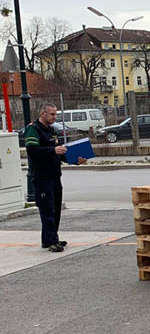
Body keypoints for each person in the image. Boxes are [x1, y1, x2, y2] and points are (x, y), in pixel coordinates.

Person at [25, 103, 86, 253]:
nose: (54, 117)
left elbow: (60, 152)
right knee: (47, 209)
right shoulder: (33, 129)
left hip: (54, 176)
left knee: (55, 209)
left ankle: (49, 239)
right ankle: (52, 241)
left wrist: (74, 160)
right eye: (52, 114)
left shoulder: (51, 130)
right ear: (43, 113)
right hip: (42, 177)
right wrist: (52, 150)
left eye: (55, 114)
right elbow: (32, 150)